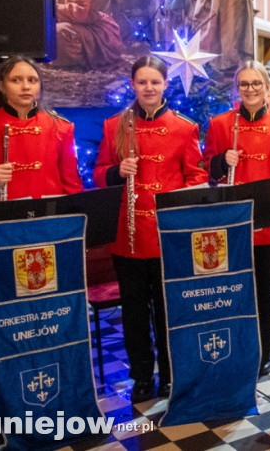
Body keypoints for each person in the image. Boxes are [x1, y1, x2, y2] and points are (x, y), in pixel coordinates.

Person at [94, 56, 207, 403]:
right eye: (142, 82)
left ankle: (172, 374)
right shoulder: (115, 124)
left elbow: (198, 177)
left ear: (165, 84)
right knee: (133, 310)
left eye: (155, 82)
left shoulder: (184, 127)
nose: (149, 88)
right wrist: (116, 172)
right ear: (133, 85)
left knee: (168, 309)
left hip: (166, 236)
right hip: (127, 236)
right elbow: (99, 173)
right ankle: (142, 375)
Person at [204, 62, 270, 377]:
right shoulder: (219, 125)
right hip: (230, 223)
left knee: (261, 291)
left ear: (266, 86)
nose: (250, 90)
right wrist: (220, 161)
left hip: (266, 225)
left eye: (256, 83)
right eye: (244, 84)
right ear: (237, 88)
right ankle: (234, 347)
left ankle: (261, 353)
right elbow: (205, 169)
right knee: (231, 290)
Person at [0, 56, 82, 200]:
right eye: (16, 80)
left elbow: (71, 185)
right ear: (2, 87)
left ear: (40, 86)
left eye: (32, 80)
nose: (26, 87)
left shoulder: (62, 127)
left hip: (48, 216)